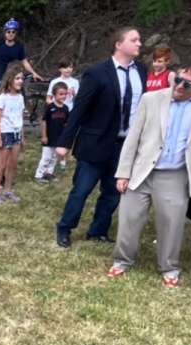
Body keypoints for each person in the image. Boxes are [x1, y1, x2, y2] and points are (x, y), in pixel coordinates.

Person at [108, 62, 191, 287]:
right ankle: (122, 261)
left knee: (172, 224)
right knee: (129, 219)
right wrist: (123, 173)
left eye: (187, 83)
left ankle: (169, 267)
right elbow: (133, 137)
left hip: (176, 174)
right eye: (178, 79)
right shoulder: (152, 99)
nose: (179, 86)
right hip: (142, 170)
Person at [55, 27, 147, 248]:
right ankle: (65, 228)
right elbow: (79, 109)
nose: (139, 44)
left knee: (113, 193)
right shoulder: (96, 73)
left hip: (125, 145)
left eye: (139, 40)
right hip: (95, 143)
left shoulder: (141, 71)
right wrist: (64, 143)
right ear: (118, 43)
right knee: (82, 190)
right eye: (134, 40)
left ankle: (98, 230)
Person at [0, 63, 26, 204]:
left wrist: (22, 136)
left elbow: (20, 118)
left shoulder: (20, 98)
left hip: (16, 133)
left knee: (13, 164)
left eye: (22, 78)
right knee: (2, 165)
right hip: (6, 134)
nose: (20, 81)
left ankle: (8, 190)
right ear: (10, 79)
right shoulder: (2, 98)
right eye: (17, 78)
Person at [0, 19, 44, 90]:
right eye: (8, 31)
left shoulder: (19, 46)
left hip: (12, 78)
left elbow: (24, 62)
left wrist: (33, 73)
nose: (11, 33)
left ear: (16, 33)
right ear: (5, 33)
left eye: (13, 32)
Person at [35, 82, 70, 183]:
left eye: (65, 94)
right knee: (46, 157)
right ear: (54, 95)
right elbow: (44, 121)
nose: (63, 96)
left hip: (59, 138)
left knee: (54, 157)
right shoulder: (50, 107)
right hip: (49, 136)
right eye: (61, 94)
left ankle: (49, 173)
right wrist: (44, 135)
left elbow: (66, 123)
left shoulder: (66, 108)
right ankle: (39, 174)